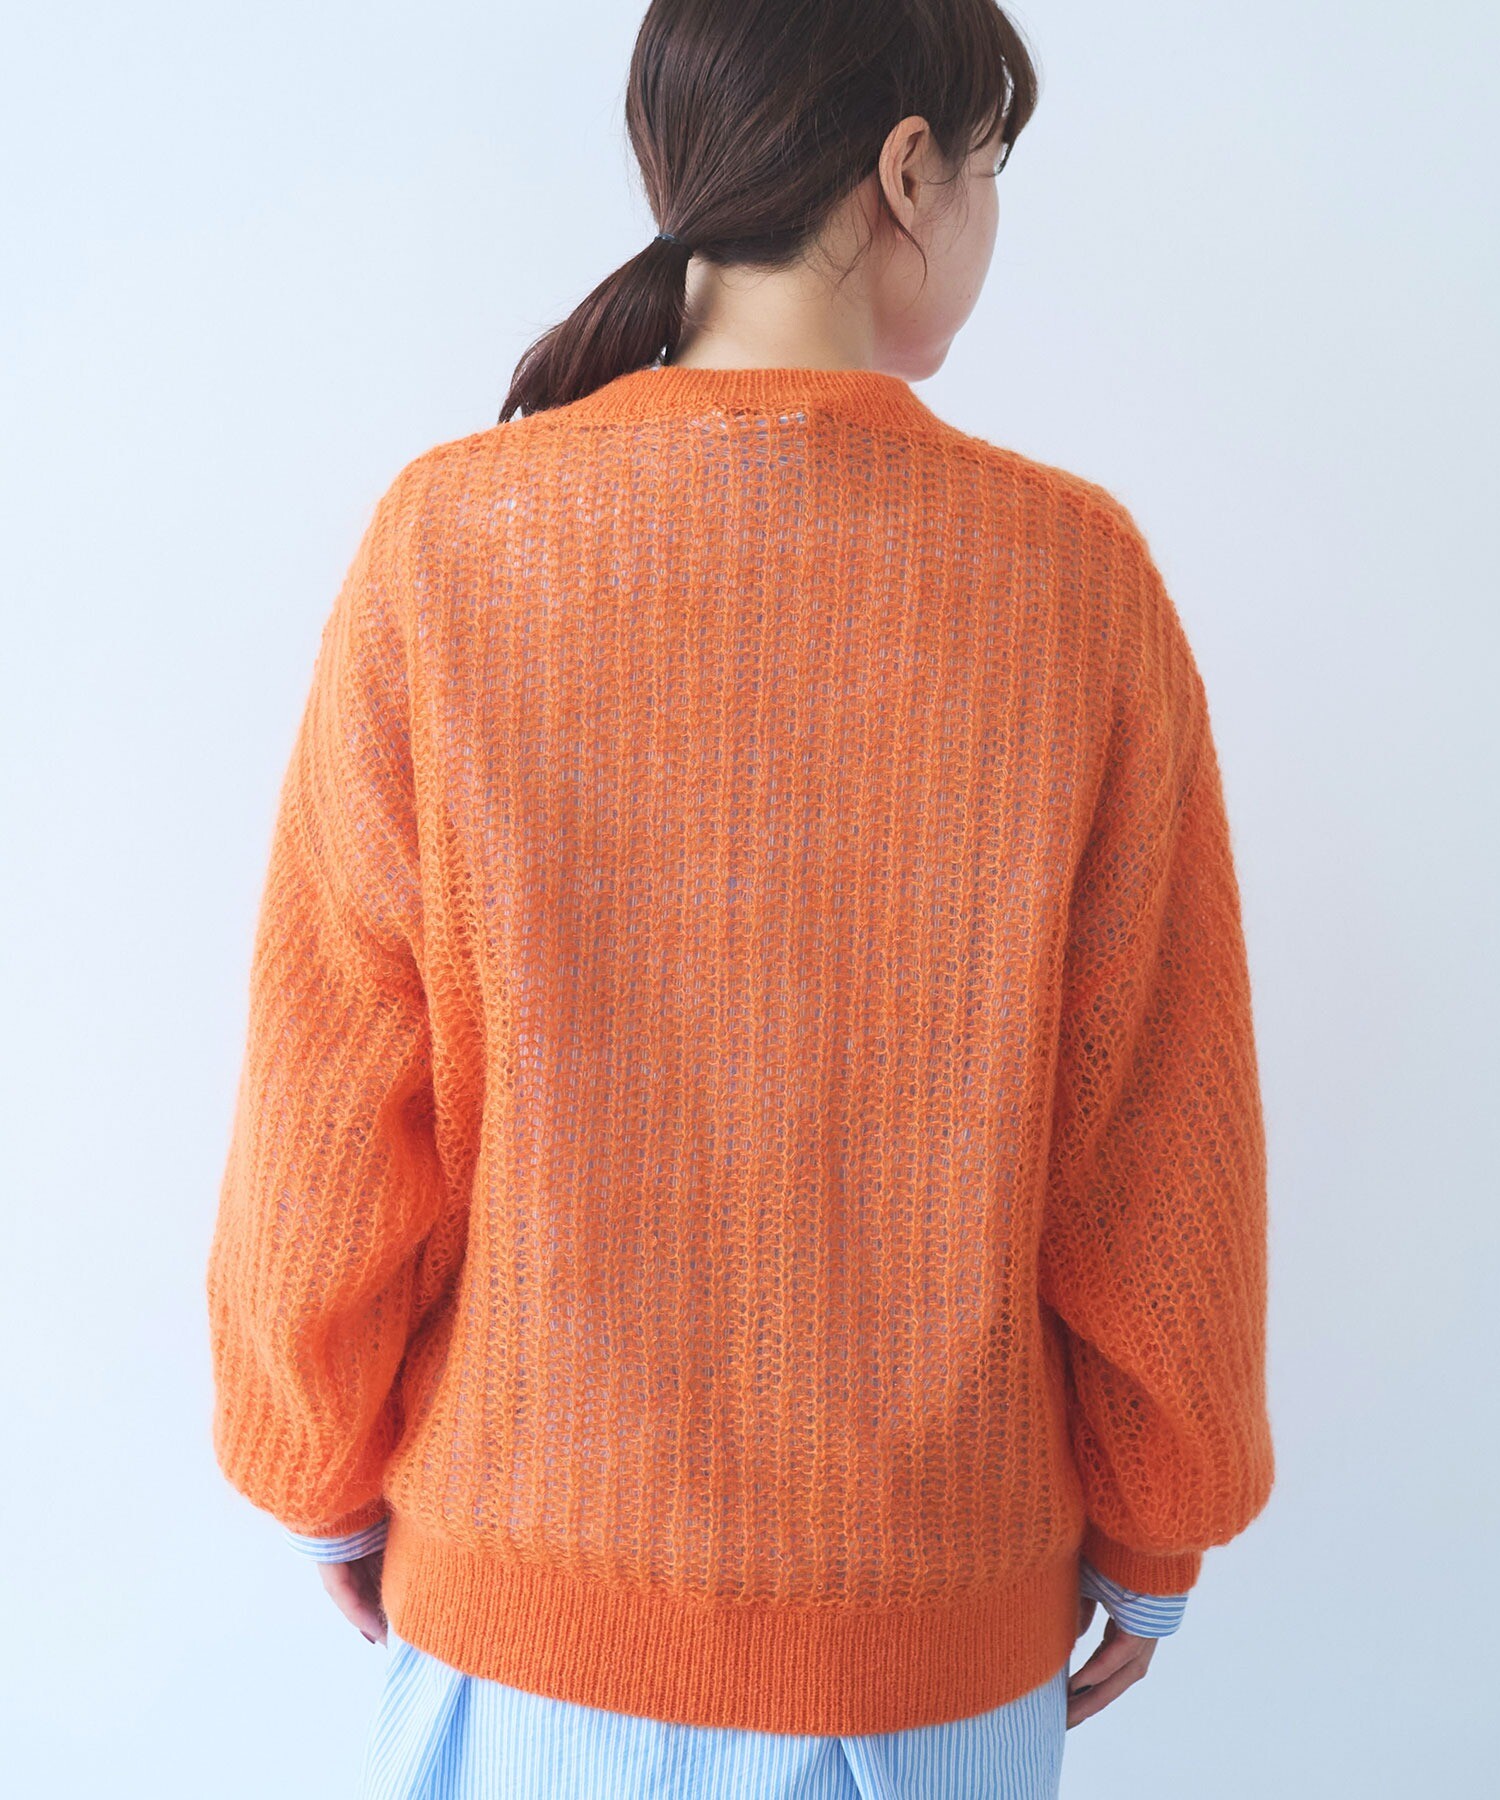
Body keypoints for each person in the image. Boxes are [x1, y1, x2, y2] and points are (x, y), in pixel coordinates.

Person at [205, 2, 1275, 1795]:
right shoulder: (1072, 581)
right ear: (909, 170)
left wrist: (315, 1464)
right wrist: (1157, 1522)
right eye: (991, 166)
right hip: (929, 1657)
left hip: (525, 1634)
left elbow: (333, 1099)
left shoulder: (452, 548)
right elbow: (1155, 1141)